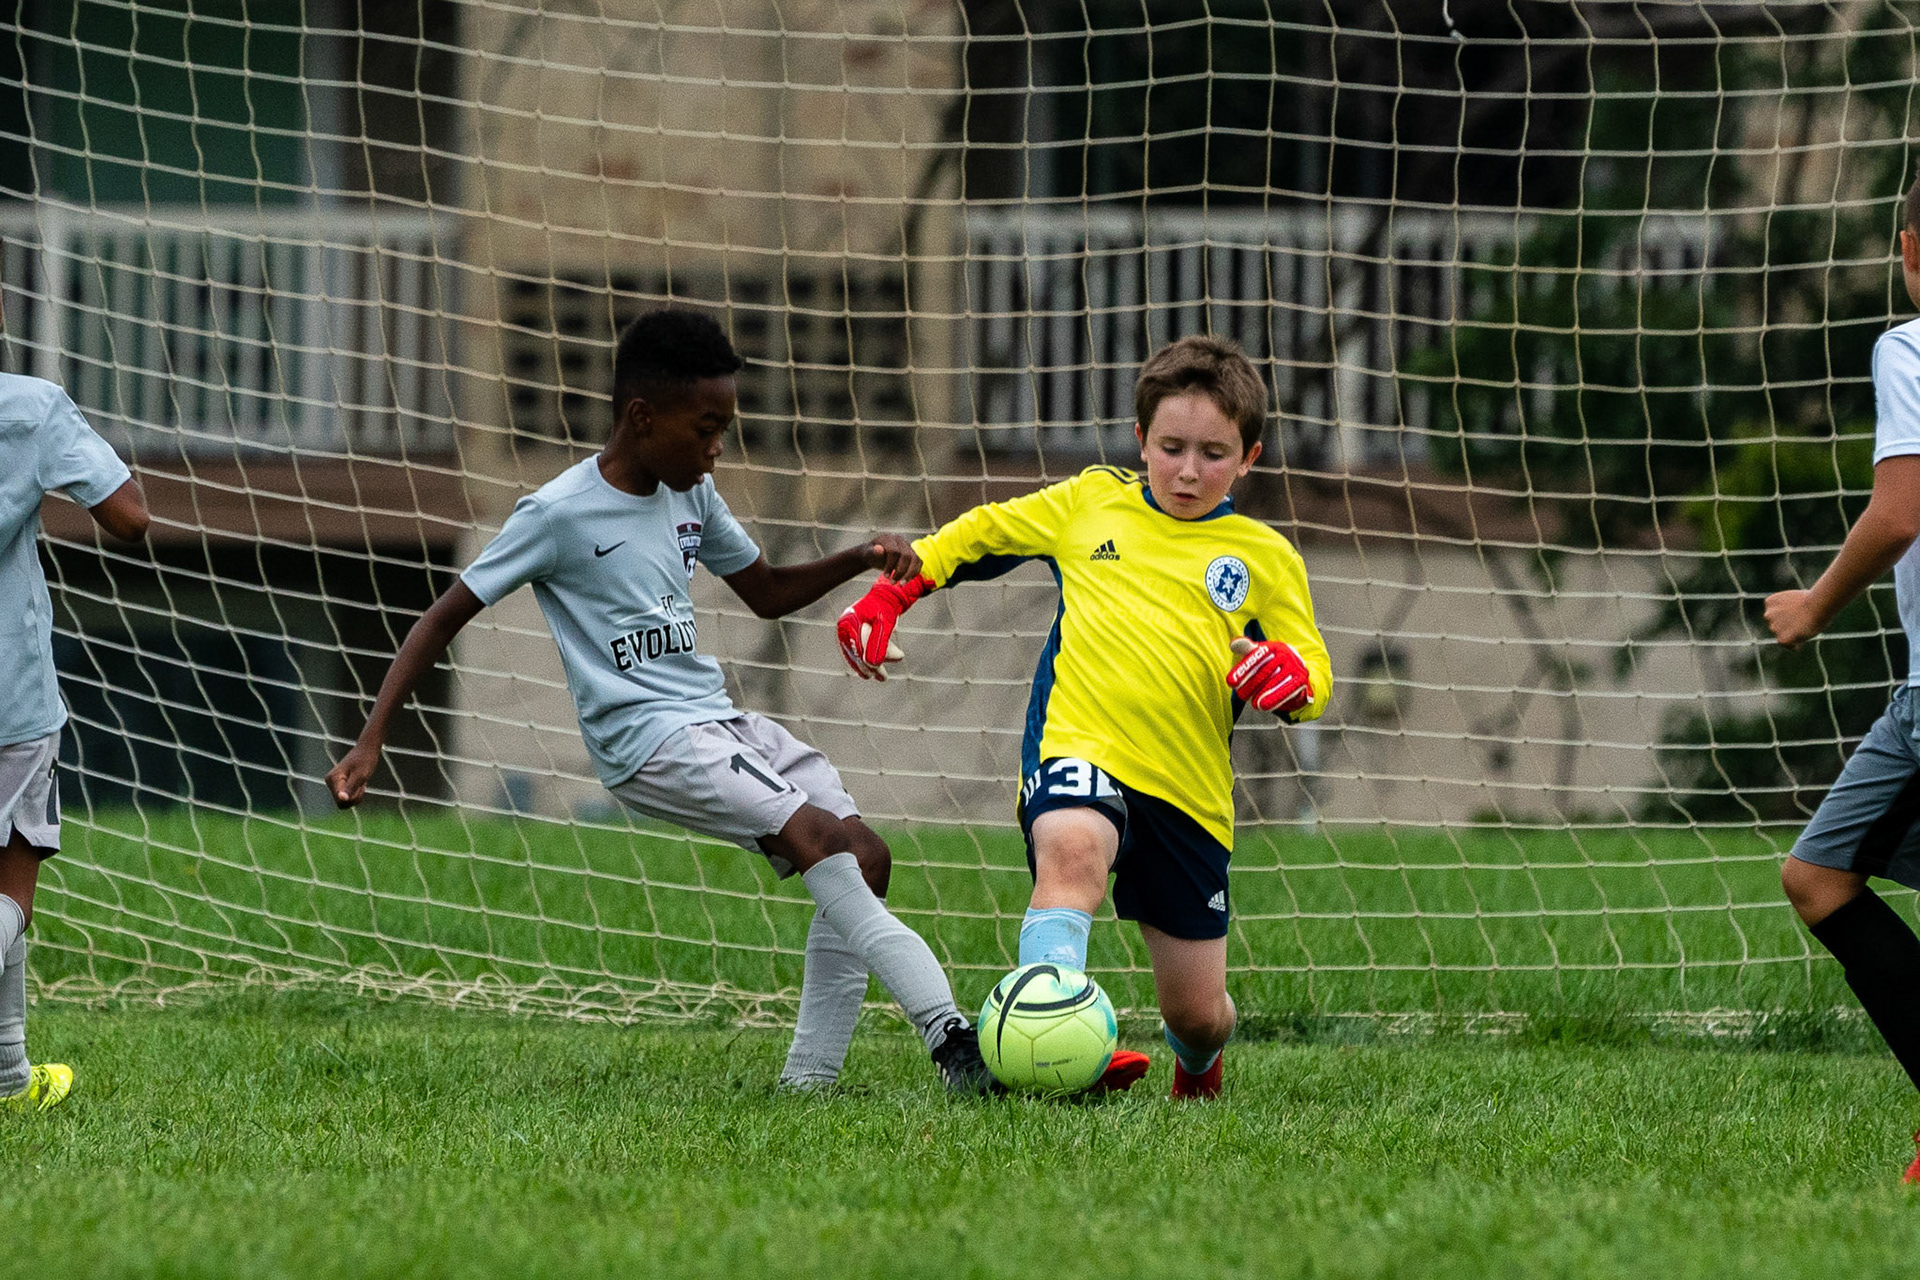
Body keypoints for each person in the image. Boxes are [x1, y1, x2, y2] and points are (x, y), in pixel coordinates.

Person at [326, 309, 993, 1093]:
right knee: (817, 838)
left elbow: (769, 595)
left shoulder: (693, 495)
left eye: (725, 429)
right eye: (706, 428)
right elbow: (439, 618)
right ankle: (953, 1044)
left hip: (715, 719)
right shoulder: (557, 512)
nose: (717, 449)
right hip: (646, 741)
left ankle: (811, 1080)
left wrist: (859, 556)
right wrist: (370, 741)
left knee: (865, 854)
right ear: (642, 418)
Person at [838, 334, 1332, 1099]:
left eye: (1213, 452)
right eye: (1171, 447)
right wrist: (895, 592)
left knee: (1199, 1014)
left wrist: (1290, 678)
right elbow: (981, 534)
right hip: (1078, 750)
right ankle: (1051, 1042)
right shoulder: (1089, 502)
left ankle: (1197, 1066)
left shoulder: (1263, 557)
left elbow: (1309, 672)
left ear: (1251, 457)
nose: (1189, 469)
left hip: (1190, 796)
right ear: (1140, 441)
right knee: (1072, 849)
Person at [1768, 174, 1920, 1180]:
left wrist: (1815, 604)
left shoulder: (1907, 346)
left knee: (1819, 879)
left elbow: (1903, 509)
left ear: (1909, 250)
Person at [0, 373, 150, 1112]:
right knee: (12, 890)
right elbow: (130, 517)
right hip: (14, 697)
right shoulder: (31, 407)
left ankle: (9, 1076)